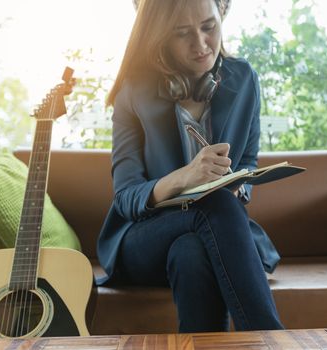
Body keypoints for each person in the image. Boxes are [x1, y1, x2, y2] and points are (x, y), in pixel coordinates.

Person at [97, 0, 284, 332]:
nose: (201, 45)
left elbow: (248, 161)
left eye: (209, 27)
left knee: (191, 253)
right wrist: (186, 177)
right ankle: (271, 341)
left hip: (208, 232)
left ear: (221, 17)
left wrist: (241, 183)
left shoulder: (243, 80)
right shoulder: (133, 92)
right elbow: (126, 198)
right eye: (182, 34)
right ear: (160, 38)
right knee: (214, 205)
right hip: (144, 237)